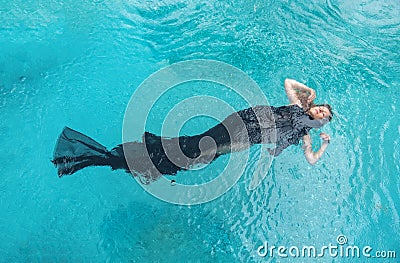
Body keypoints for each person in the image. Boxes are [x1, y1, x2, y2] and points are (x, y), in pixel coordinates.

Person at [52, 79, 332, 182]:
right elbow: (289, 82)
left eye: (324, 118)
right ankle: (130, 160)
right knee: (193, 150)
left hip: (241, 138)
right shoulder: (297, 106)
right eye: (321, 110)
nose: (320, 115)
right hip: (237, 122)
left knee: (195, 151)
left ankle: (118, 158)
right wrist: (311, 92)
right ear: (315, 106)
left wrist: (324, 146)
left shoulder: (303, 134)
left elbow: (310, 159)